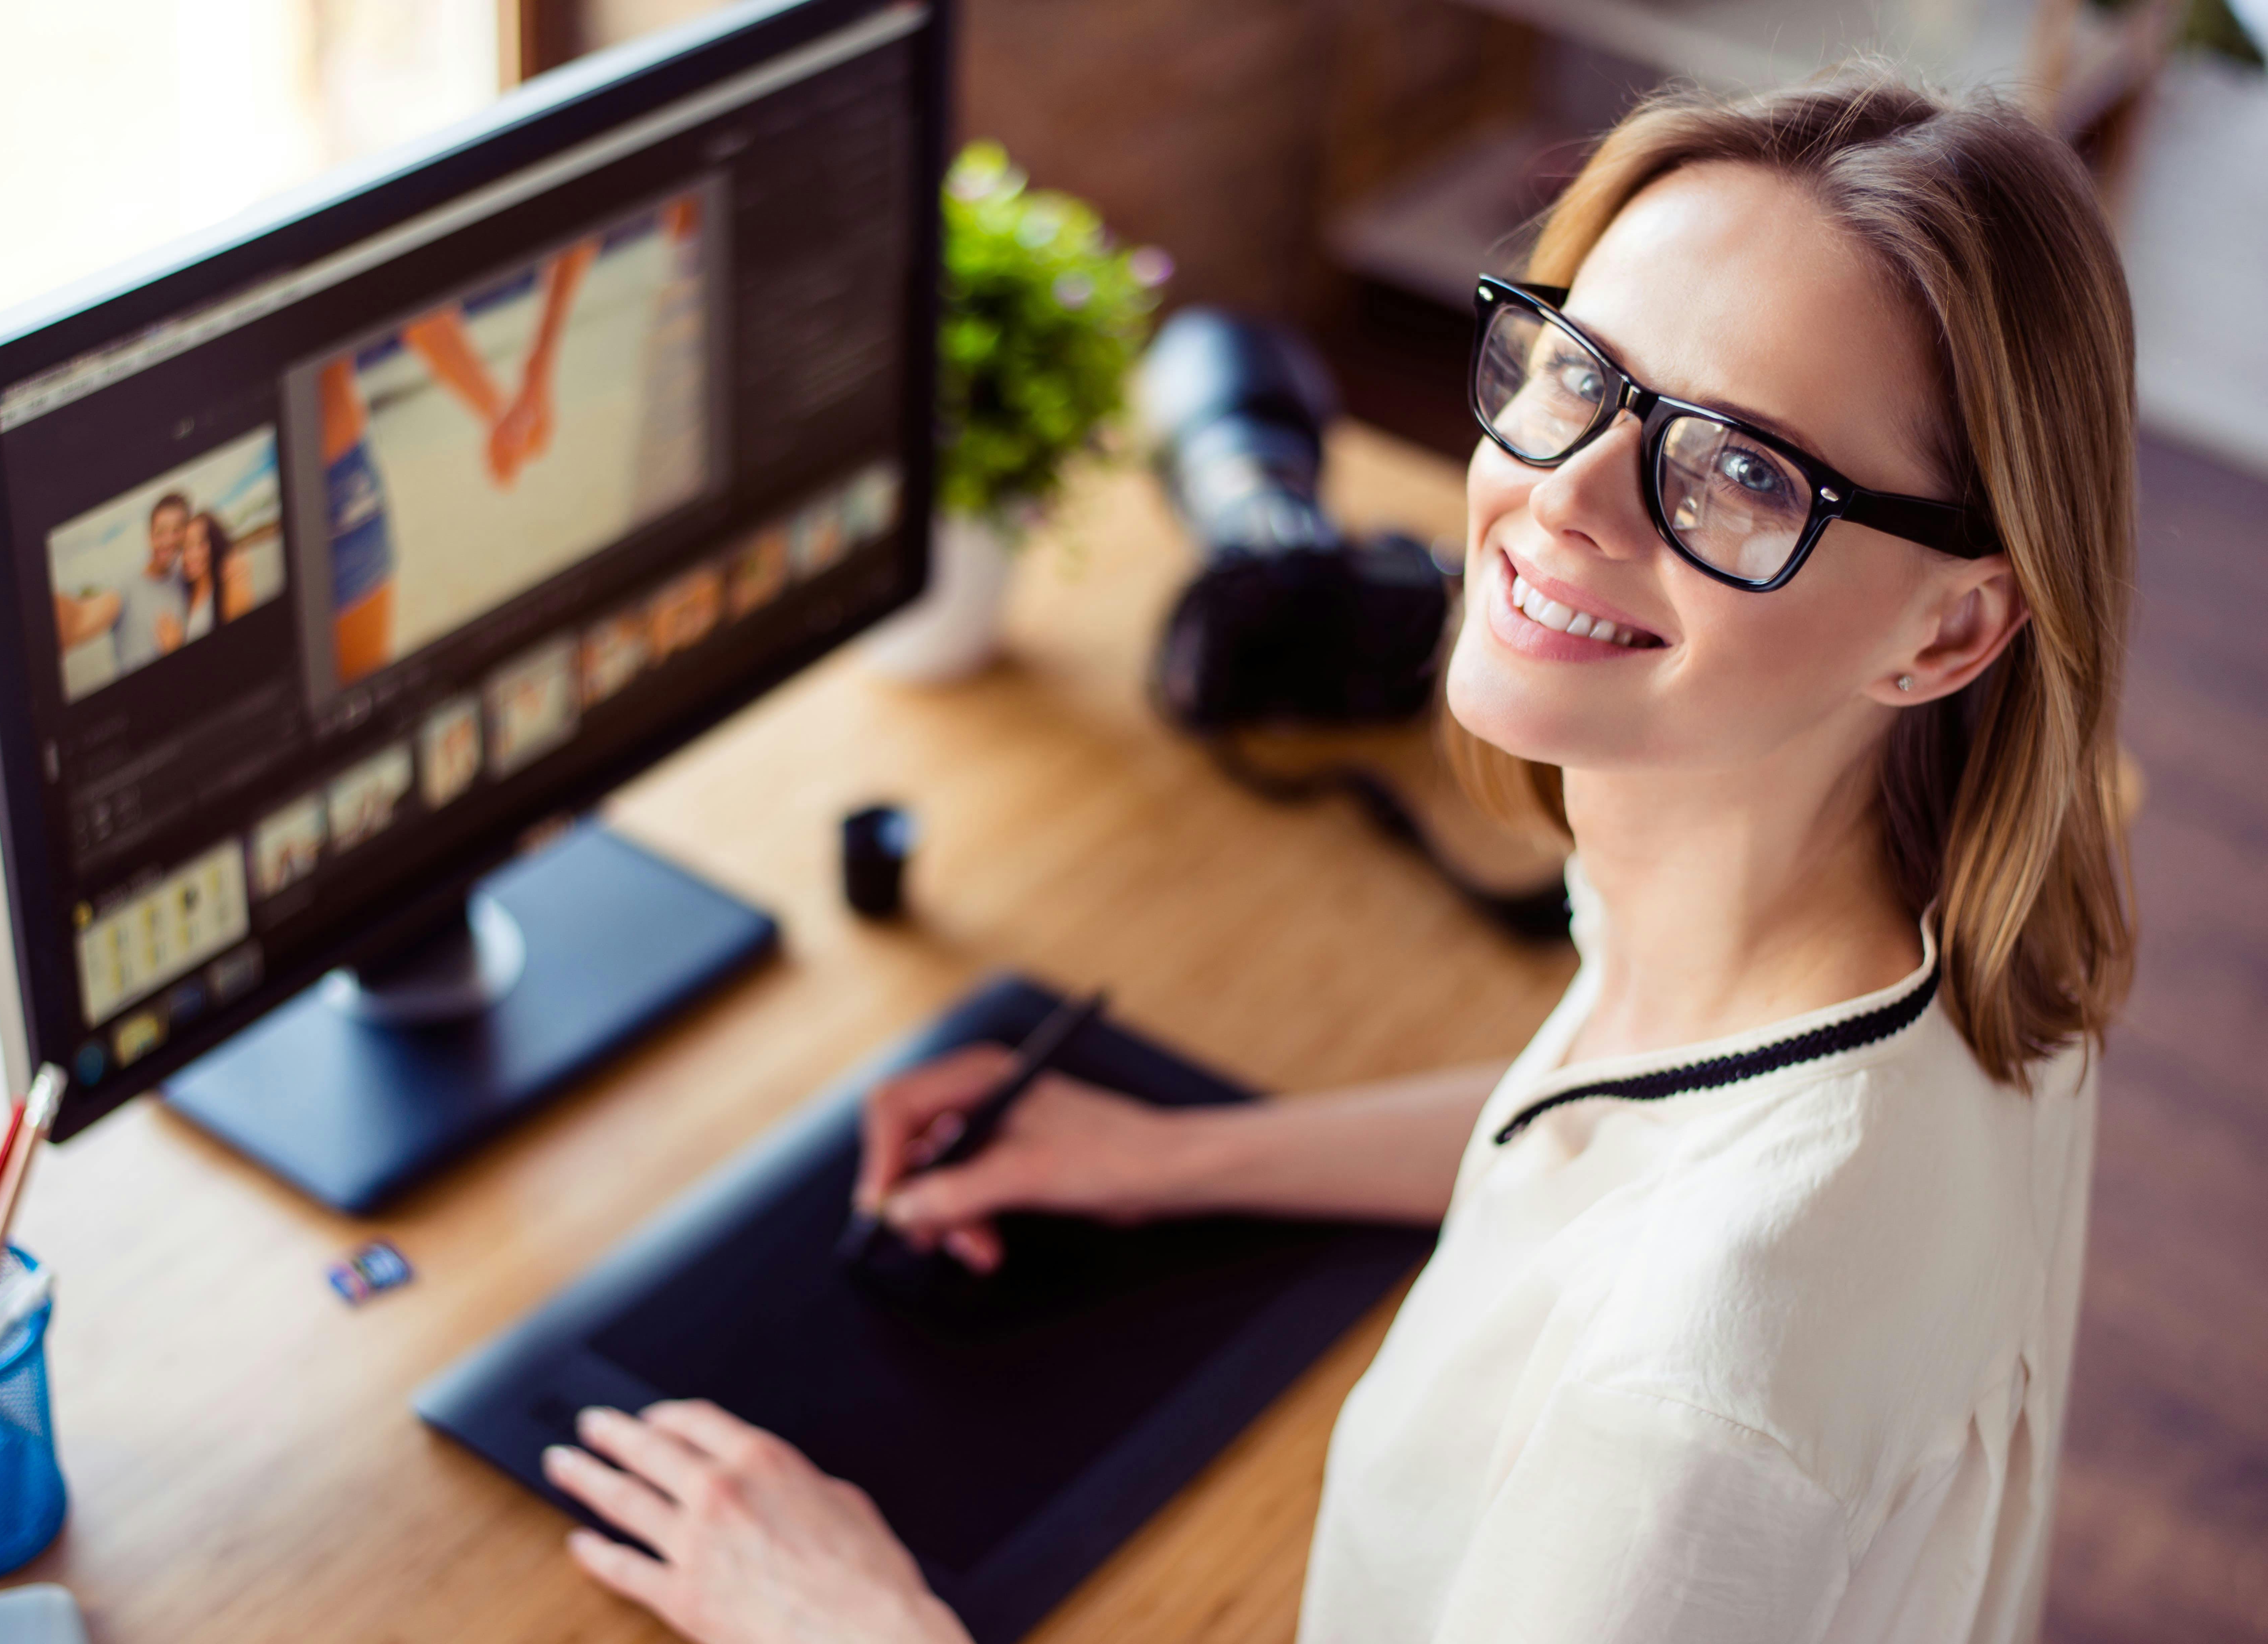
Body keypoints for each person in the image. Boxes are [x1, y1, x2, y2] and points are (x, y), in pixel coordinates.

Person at [541, 67, 2134, 1644]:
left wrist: (849, 1618)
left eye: (1739, 471)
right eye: (1578, 370)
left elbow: (1684, 1281)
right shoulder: (1910, 911)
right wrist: (1178, 1159)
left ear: (1947, 627)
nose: (1559, 493)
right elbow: (1608, 1137)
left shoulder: (1682, 1413)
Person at [320, 238, 599, 685]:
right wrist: (505, 407)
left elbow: (404, 293)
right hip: (336, 485)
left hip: (339, 494)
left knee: (355, 725)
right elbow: (409, 298)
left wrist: (499, 412)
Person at [53, 490, 192, 678]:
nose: (168, 540)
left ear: (186, 533)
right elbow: (81, 618)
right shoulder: (126, 585)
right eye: (160, 532)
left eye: (176, 531)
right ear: (150, 536)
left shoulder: (186, 577)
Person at [178, 511, 227, 642]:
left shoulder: (227, 589)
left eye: (200, 544)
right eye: (184, 548)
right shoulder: (182, 593)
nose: (190, 556)